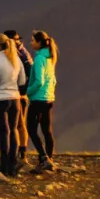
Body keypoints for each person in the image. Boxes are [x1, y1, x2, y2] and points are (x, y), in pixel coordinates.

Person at [0, 33, 24, 177]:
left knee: (3, 132)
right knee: (14, 130)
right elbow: (21, 81)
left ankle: (3, 165)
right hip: (15, 99)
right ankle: (12, 163)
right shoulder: (16, 59)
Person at [27, 30, 58, 172]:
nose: (31, 43)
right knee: (47, 130)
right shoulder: (50, 57)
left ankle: (44, 157)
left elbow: (39, 81)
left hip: (38, 98)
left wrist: (28, 92)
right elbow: (53, 79)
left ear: (39, 43)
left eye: (33, 40)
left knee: (31, 129)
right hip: (49, 98)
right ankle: (49, 159)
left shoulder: (39, 59)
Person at [4, 29, 34, 163]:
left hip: (18, 94)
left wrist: (23, 92)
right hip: (14, 93)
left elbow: (30, 74)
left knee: (19, 124)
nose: (19, 42)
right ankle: (18, 152)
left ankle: (20, 153)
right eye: (17, 39)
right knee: (15, 125)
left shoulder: (21, 54)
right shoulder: (20, 53)